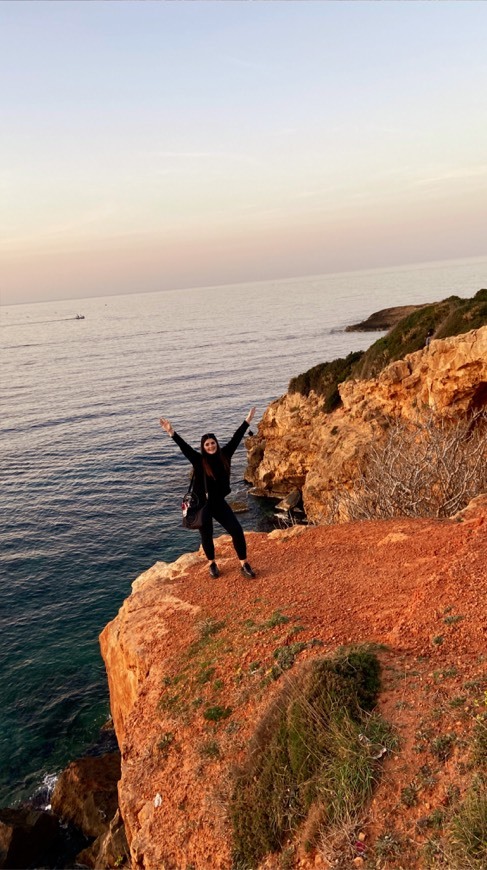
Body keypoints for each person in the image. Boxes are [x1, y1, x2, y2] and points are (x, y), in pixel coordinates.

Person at [159, 408, 257, 579]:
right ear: (203, 447)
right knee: (207, 536)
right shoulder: (198, 460)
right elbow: (184, 447)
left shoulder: (225, 455)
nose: (210, 446)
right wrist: (171, 432)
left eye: (213, 443)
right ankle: (211, 563)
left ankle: (244, 563)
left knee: (236, 530)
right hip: (201, 505)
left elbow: (236, 437)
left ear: (216, 444)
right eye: (207, 444)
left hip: (218, 502)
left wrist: (247, 421)